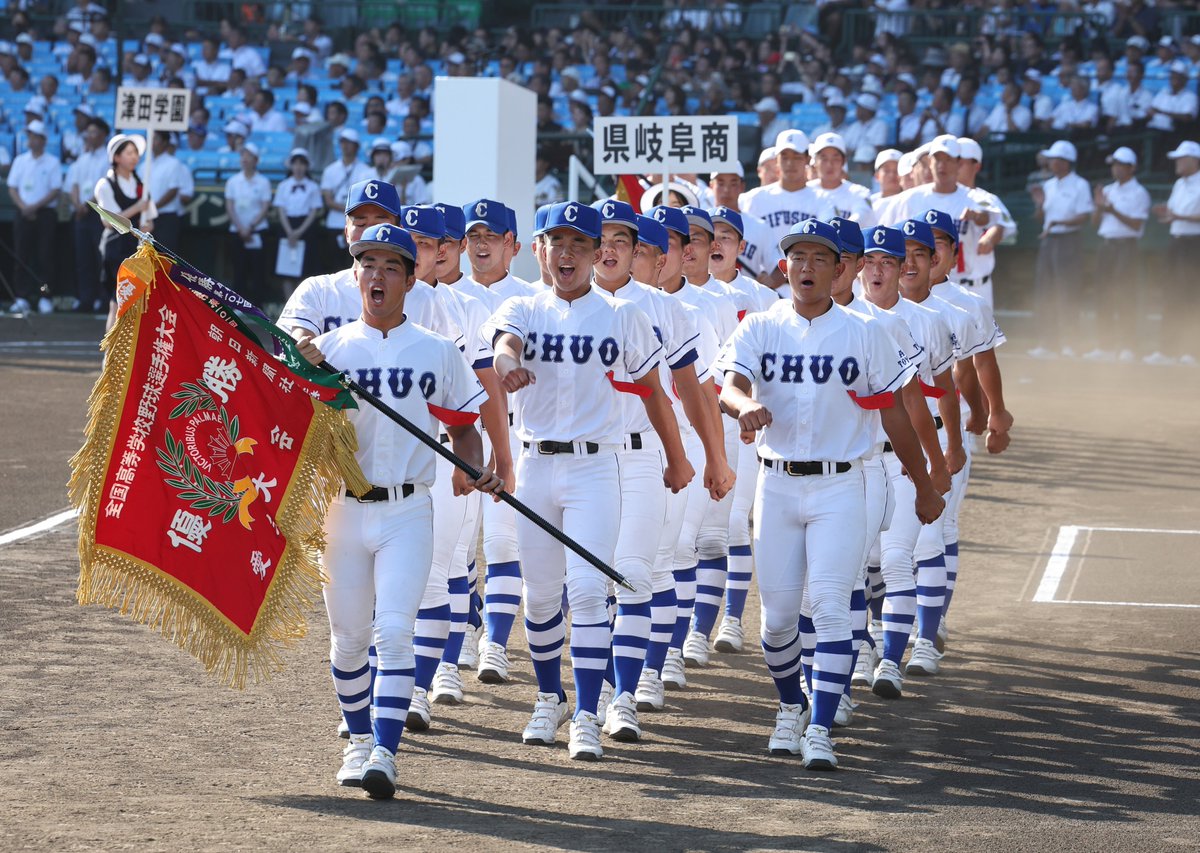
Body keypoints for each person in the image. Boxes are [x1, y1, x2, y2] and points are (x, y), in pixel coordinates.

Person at [715, 218, 942, 769]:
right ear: (785, 265)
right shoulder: (761, 325)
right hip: (777, 483)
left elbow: (894, 413)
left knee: (835, 610)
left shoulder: (867, 332)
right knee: (776, 620)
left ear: (843, 269)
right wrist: (745, 408)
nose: (807, 267)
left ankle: (820, 727)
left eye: (820, 259)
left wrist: (925, 482)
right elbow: (728, 386)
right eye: (798, 257)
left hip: (842, 484)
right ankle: (793, 705)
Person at [295, 223, 501, 800]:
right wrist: (302, 375)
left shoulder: (437, 350)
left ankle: (384, 749)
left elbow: (465, 427)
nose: (377, 275)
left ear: (412, 280)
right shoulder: (329, 351)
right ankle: (357, 739)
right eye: (368, 264)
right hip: (342, 510)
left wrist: (470, 466)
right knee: (348, 638)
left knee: (393, 630)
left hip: (410, 509)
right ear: (356, 275)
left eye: (391, 266)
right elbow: (295, 430)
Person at [488, 201, 691, 760]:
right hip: (535, 465)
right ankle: (549, 696)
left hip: (595, 466)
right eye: (558, 242)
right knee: (541, 595)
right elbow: (505, 346)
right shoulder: (523, 305)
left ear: (596, 250)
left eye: (580, 243)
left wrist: (675, 459)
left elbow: (653, 391)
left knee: (588, 591)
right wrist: (508, 367)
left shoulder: (621, 314)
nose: (569, 253)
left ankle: (584, 713)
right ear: (540, 250)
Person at [590, 199, 729, 741]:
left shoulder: (669, 309)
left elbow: (694, 392)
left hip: (647, 452)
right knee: (583, 582)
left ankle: (629, 687)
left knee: (640, 571)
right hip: (581, 458)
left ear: (640, 253)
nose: (607, 250)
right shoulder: (550, 305)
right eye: (597, 239)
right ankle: (593, 689)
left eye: (622, 242)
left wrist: (711, 457)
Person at [454, 199, 541, 684]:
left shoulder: (532, 297)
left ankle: (494, 641)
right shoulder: (447, 296)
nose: (481, 244)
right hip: (461, 434)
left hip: (516, 435)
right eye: (474, 237)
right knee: (457, 545)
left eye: (491, 236)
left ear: (513, 244)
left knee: (504, 543)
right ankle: (465, 628)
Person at [278, 179, 403, 342]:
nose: (370, 233)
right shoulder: (317, 291)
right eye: (361, 224)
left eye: (380, 225)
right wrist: (299, 354)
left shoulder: (429, 297)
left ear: (400, 231)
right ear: (347, 234)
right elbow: (289, 355)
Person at [740, 129, 836, 291]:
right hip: (762, 285)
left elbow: (823, 246)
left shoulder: (823, 200)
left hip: (808, 285)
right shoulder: (753, 198)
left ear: (807, 159)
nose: (790, 163)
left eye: (797, 157)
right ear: (776, 159)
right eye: (785, 157)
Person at [1028, 140, 1094, 359]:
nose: (1051, 162)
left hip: (1069, 241)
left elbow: (1084, 216)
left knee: (1067, 291)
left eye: (1055, 159)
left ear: (1066, 162)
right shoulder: (1048, 185)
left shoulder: (1080, 185)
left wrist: (1059, 223)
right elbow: (1040, 217)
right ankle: (1047, 343)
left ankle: (1069, 343)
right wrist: (1039, 205)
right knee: (1045, 290)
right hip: (1049, 241)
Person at [1087, 147, 1150, 363]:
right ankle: (1105, 346)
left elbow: (1136, 224)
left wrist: (1111, 209)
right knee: (1103, 296)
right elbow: (1095, 223)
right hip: (1107, 246)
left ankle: (1127, 347)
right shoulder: (1109, 190)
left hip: (1126, 247)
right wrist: (1098, 207)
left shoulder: (1139, 192)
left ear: (1131, 167)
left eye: (1120, 164)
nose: (1115, 168)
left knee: (1125, 295)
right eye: (1114, 164)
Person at [94, 132, 154, 331]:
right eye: (128, 153)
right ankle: (111, 353)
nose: (134, 157)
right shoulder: (105, 184)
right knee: (117, 300)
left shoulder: (141, 186)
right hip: (116, 248)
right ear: (117, 157)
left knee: (138, 303)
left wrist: (147, 226)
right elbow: (109, 220)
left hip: (136, 249)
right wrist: (138, 208)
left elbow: (150, 220)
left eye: (135, 153)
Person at [1149, 140, 1200, 365]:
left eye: (1181, 158)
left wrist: (1180, 217)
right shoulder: (1179, 183)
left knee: (1191, 296)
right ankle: (1167, 349)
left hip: (1195, 244)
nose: (1177, 163)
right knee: (1171, 294)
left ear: (1194, 160)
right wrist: (1167, 214)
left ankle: (1191, 351)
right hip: (1176, 242)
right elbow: (1175, 213)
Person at [6, 120, 61, 315]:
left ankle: (44, 296)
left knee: (45, 257)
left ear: (42, 140)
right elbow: (12, 187)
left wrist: (35, 207)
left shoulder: (53, 162)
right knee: (21, 255)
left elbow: (55, 190)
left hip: (44, 213)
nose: (30, 139)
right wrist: (24, 207)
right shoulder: (20, 160)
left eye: (34, 136)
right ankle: (21, 296)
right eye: (29, 135)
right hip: (23, 213)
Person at [955, 138, 1017, 308]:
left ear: (976, 167)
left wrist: (990, 237)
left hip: (977, 286)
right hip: (947, 285)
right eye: (955, 161)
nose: (956, 166)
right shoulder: (939, 198)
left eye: (962, 163)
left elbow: (1000, 223)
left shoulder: (984, 198)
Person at [64, 116, 109, 313]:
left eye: (94, 132)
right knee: (83, 258)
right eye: (88, 132)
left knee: (101, 257)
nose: (90, 136)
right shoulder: (82, 159)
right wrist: (77, 204)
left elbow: (104, 186)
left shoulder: (108, 159)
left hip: (99, 213)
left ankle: (103, 299)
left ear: (103, 135)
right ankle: (85, 298)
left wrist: (86, 205)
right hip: (81, 214)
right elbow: (73, 184)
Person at [223, 143, 272, 307]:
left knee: (258, 269)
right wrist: (240, 227)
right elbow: (230, 206)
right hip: (237, 231)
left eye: (248, 156)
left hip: (257, 231)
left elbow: (265, 207)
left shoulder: (263, 182)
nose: (244, 159)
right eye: (243, 155)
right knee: (239, 269)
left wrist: (250, 227)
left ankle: (258, 306)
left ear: (256, 160)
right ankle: (238, 307)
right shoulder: (233, 181)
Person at [320, 129, 374, 272]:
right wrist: (351, 209)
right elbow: (328, 199)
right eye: (343, 142)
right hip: (335, 222)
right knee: (333, 262)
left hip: (358, 224)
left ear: (356, 146)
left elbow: (367, 200)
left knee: (356, 262)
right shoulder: (330, 170)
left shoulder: (366, 170)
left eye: (349, 143)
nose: (345, 146)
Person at [272, 147, 323, 296]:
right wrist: (289, 231)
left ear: (307, 166)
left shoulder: (313, 187)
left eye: (302, 163)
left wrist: (300, 231)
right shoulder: (283, 185)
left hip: (306, 227)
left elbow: (314, 211)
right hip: (287, 226)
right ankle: (288, 304)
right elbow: (280, 210)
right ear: (291, 165)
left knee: (305, 269)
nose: (299, 167)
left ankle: (303, 304)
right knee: (286, 268)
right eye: (296, 163)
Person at [807, 132, 876, 227]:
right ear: (815, 161)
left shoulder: (859, 192)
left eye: (835, 159)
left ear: (843, 162)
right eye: (824, 159)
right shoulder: (805, 190)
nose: (829, 165)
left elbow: (861, 217)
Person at [146, 131, 188, 252]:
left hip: (166, 218)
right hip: (147, 217)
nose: (152, 142)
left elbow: (173, 190)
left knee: (165, 258)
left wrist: (153, 207)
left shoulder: (174, 163)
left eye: (156, 139)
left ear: (165, 142)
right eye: (150, 138)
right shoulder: (144, 165)